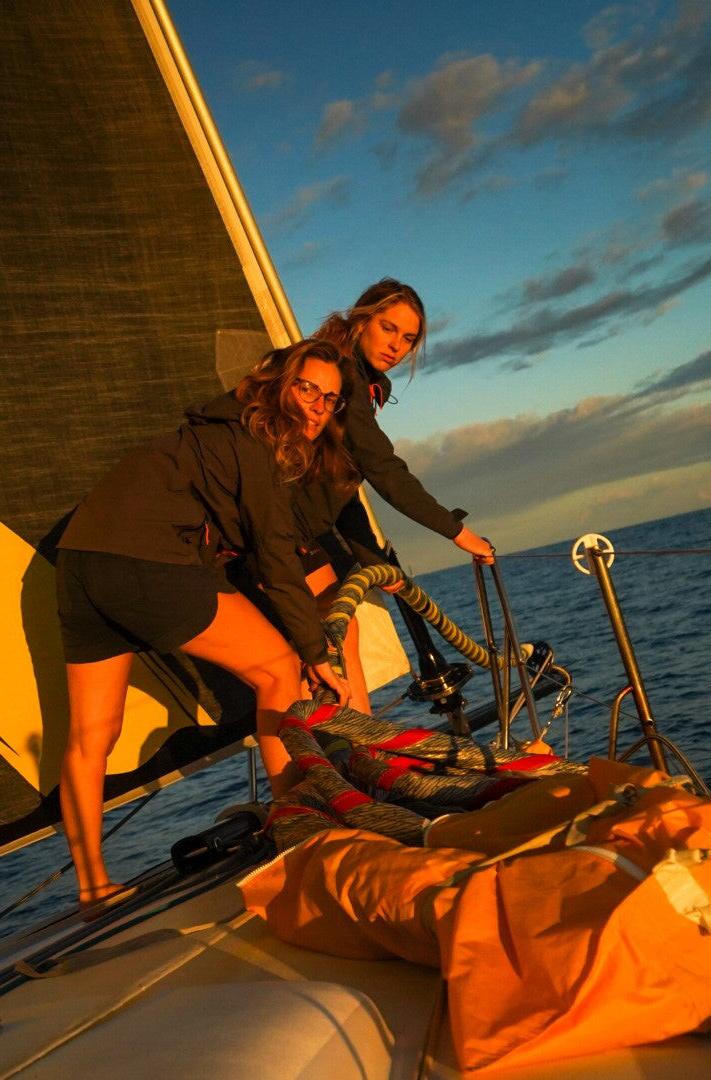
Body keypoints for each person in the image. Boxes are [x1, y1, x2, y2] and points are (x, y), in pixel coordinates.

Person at [55, 339, 355, 907]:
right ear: (280, 385)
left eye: (330, 399)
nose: (316, 406)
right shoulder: (255, 440)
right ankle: (303, 834)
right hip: (147, 557)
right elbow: (275, 558)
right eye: (307, 388)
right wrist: (316, 652)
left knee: (90, 737)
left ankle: (93, 886)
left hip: (80, 563)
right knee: (278, 671)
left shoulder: (212, 431)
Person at [300, 279, 497, 711]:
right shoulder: (337, 374)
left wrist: (372, 559)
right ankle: (344, 759)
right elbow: (381, 467)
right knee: (314, 653)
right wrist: (457, 532)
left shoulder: (361, 382)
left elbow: (342, 481)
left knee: (337, 637)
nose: (397, 346)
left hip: (302, 531)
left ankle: (358, 752)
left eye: (408, 339)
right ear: (361, 320)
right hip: (278, 529)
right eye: (388, 328)